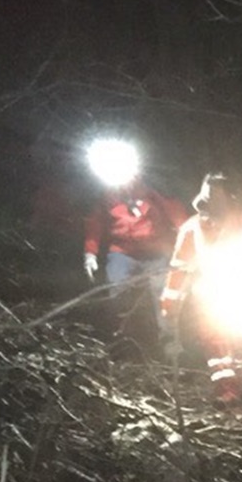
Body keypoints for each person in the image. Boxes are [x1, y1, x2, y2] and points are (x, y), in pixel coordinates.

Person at [160, 174, 242, 404]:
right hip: (209, 294)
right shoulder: (192, 228)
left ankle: (236, 381)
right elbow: (179, 265)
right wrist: (170, 301)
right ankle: (226, 389)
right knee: (215, 341)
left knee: (241, 342)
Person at [84, 151, 187, 352]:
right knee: (118, 290)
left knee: (164, 294)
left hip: (158, 251)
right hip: (123, 252)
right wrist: (90, 253)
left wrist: (188, 251)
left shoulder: (154, 189)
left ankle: (170, 343)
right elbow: (94, 223)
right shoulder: (106, 194)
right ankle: (122, 338)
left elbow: (179, 219)